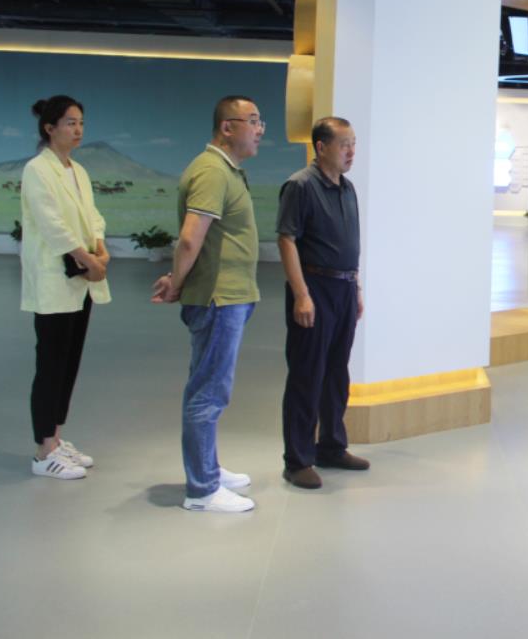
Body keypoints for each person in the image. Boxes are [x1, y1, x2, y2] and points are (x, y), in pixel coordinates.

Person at [151, 95, 263, 514]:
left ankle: (208, 468)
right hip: (219, 299)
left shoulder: (225, 170)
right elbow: (189, 239)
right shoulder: (212, 171)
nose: (260, 130)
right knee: (208, 392)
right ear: (227, 127)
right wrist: (176, 283)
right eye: (252, 121)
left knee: (209, 386)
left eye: (261, 122)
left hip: (229, 297)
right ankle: (202, 489)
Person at [21, 95, 111, 479]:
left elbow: (92, 217)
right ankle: (44, 451)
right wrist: (88, 259)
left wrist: (101, 250)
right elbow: (51, 224)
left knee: (69, 362)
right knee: (51, 363)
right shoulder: (36, 170)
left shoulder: (79, 170)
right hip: (56, 278)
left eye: (81, 123)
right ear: (50, 128)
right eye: (71, 123)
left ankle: (56, 438)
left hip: (82, 279)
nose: (78, 130)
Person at [276, 117, 369, 489]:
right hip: (313, 288)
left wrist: (356, 287)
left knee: (336, 374)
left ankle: (331, 446)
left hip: (343, 289)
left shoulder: (347, 188)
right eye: (344, 144)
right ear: (321, 147)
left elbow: (349, 243)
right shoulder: (300, 186)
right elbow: (286, 240)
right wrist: (301, 294)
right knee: (307, 375)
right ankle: (297, 460)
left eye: (354, 143)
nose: (351, 152)